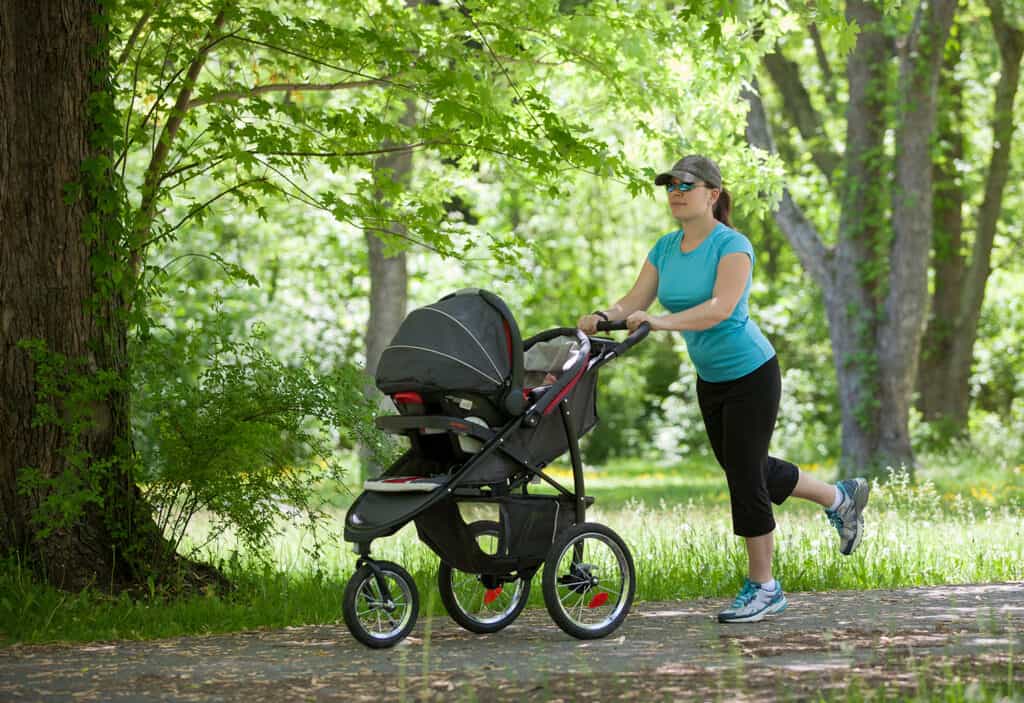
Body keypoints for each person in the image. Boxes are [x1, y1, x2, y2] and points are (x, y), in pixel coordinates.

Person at [577, 155, 870, 624]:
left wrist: (659, 322)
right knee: (746, 466)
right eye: (670, 184)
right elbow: (634, 301)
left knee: (744, 475)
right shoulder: (665, 249)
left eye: (685, 184)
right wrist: (602, 318)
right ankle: (839, 498)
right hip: (711, 379)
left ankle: (764, 587)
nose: (675, 191)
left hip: (752, 373)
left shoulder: (732, 246)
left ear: (712, 194)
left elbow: (720, 309)